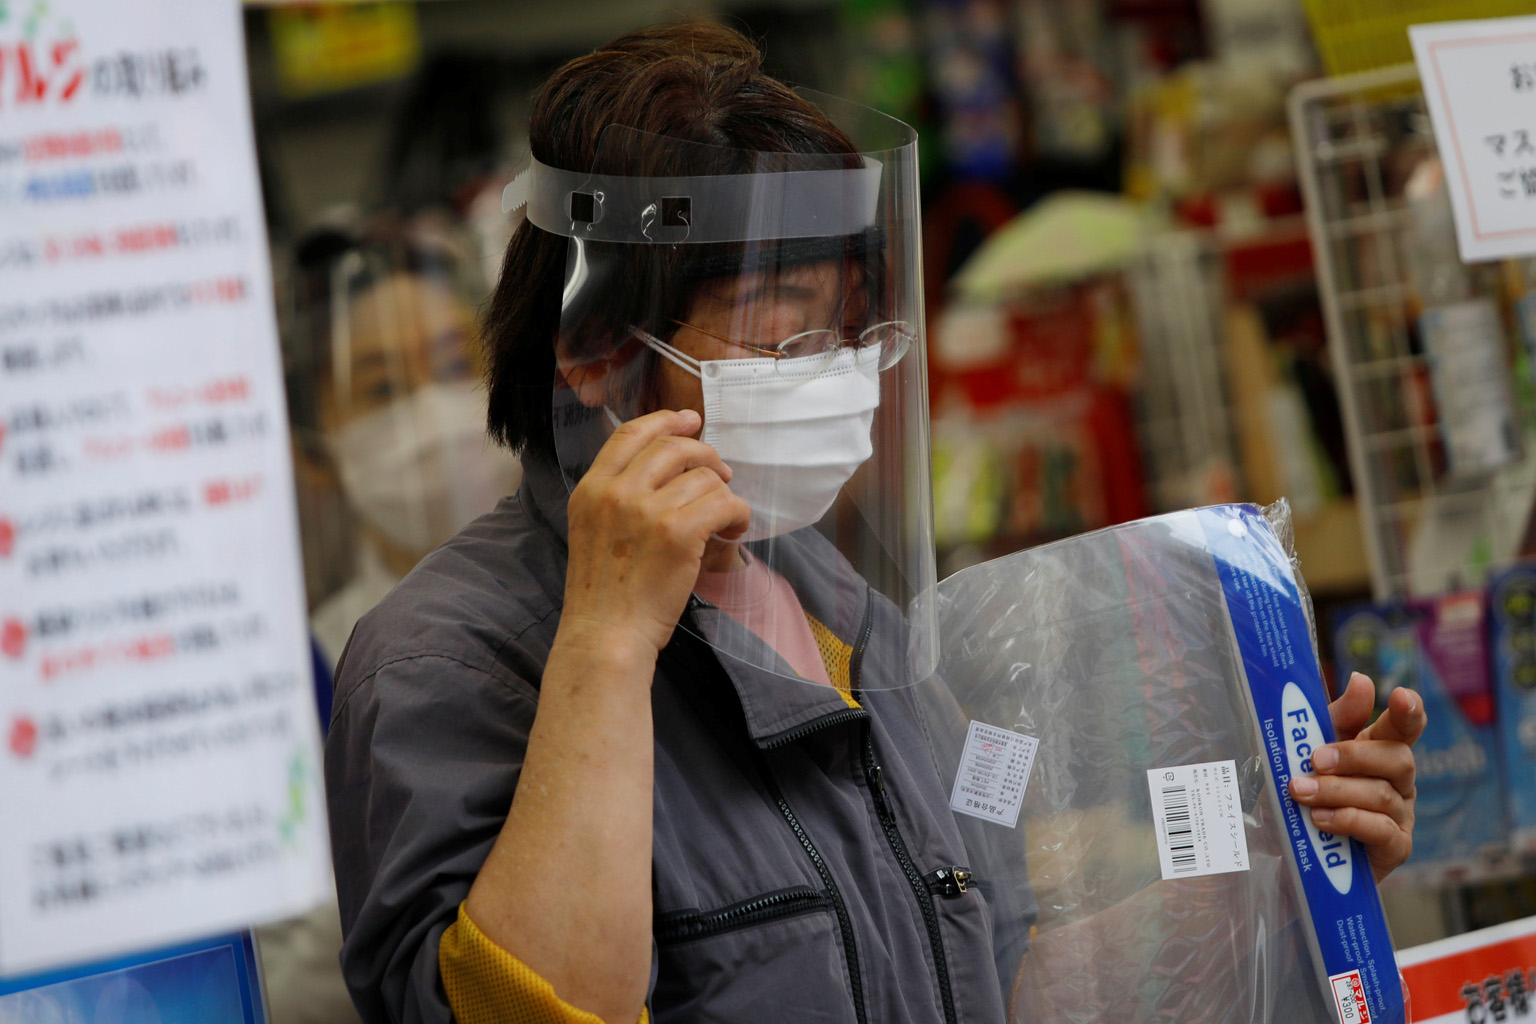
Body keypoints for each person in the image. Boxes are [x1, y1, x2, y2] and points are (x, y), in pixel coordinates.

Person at [324, 22, 1424, 1024]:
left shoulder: (843, 609)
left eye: (848, 337)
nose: (837, 380)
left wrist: (1289, 878)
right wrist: (607, 647)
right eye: (779, 339)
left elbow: (1000, 976)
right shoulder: (449, 663)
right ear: (598, 356)